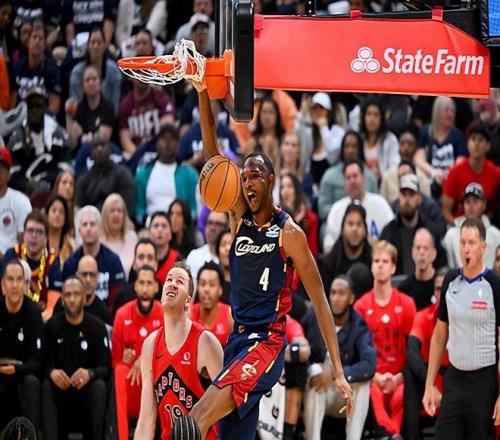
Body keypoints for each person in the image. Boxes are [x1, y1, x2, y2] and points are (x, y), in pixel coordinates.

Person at [168, 78, 353, 440]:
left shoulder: (289, 233)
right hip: (237, 341)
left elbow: (319, 299)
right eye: (244, 177)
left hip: (266, 344)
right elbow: (213, 158)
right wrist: (203, 90)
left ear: (270, 180)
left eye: (254, 176)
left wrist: (338, 370)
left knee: (195, 419)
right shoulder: (239, 216)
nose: (247, 183)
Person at [423, 218, 500, 439]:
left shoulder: (494, 284)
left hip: (484, 381)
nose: (466, 248)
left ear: (483, 247)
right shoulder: (450, 280)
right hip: (455, 378)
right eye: (462, 242)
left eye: (472, 243)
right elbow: (439, 335)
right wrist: (429, 386)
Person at [133, 263, 224, 439]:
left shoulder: (205, 342)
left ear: (188, 301)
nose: (172, 284)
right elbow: (146, 419)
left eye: (179, 281)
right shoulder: (150, 345)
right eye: (169, 280)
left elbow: (227, 409)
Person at [354, 241, 417, 438]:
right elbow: (356, 349)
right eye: (376, 261)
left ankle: (389, 434)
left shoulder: (407, 304)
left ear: (393, 267)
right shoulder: (361, 306)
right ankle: (392, 434)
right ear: (371, 266)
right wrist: (375, 376)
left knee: (401, 395)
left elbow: (413, 349)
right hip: (373, 376)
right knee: (373, 391)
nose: (380, 265)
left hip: (400, 377)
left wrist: (400, 376)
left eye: (385, 261)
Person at [302, 275, 377, 440]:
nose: (335, 298)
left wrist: (335, 375)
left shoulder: (358, 325)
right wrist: (313, 370)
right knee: (315, 374)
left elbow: (369, 365)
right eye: (333, 293)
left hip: (342, 396)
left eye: (341, 293)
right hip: (317, 392)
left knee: (363, 383)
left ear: (351, 299)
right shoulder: (313, 316)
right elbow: (299, 345)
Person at [42, 276, 111, 440]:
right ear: (62, 299)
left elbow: (106, 368)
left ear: (84, 297)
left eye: (76, 294)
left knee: (100, 386)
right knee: (46, 384)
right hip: (60, 397)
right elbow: (42, 363)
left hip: (86, 397)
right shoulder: (52, 327)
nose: (72, 299)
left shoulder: (97, 327)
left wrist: (90, 374)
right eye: (67, 294)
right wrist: (52, 372)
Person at [112, 265, 163, 440]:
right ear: (135, 286)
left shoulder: (164, 314)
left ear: (156, 287)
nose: (145, 289)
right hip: (132, 381)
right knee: (120, 372)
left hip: (155, 379)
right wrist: (123, 359)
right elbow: (115, 360)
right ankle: (122, 436)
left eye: (149, 283)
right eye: (141, 283)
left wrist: (145, 359)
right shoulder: (122, 314)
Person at [403, 267, 448, 440]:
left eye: (445, 288)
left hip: (454, 377)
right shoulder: (424, 316)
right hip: (429, 376)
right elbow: (412, 350)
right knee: (409, 368)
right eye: (438, 289)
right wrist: (431, 385)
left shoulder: (463, 319)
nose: (441, 293)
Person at [0, 259, 43, 431]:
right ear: (3, 285)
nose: (15, 285)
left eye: (19, 279)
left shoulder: (34, 313)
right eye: (10, 279)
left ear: (25, 285)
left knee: (32, 382)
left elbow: (38, 361)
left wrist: (17, 369)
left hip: (23, 375)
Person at [323, 159, 394, 253]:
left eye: (355, 176)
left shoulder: (380, 204)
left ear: (363, 179)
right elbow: (328, 247)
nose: (352, 181)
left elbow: (392, 237)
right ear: (344, 182)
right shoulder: (336, 209)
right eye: (348, 177)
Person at [380, 174, 445, 276]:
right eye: (403, 194)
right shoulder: (388, 232)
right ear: (399, 197)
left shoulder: (431, 231)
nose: (407, 199)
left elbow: (441, 266)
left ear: (419, 199)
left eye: (411, 194)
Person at [62, 205, 126, 307]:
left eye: (92, 224)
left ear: (100, 229)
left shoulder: (113, 261)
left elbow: (118, 300)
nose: (88, 228)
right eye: (85, 224)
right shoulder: (70, 263)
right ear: (79, 231)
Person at [134, 124, 198, 225]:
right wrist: (147, 223)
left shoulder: (190, 175)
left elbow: (193, 210)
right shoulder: (142, 173)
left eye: (172, 139)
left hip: (179, 228)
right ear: (156, 143)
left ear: (178, 144)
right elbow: (138, 210)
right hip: (149, 226)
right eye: (164, 139)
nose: (167, 143)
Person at [4, 210, 61, 317]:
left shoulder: (52, 263)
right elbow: (4, 291)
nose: (34, 236)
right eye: (30, 230)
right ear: (24, 234)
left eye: (39, 232)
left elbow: (53, 304)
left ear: (46, 238)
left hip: (42, 318)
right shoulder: (12, 255)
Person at [442, 123, 500, 224]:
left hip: (484, 225)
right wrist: (460, 227)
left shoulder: (496, 174)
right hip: (458, 224)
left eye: (480, 140)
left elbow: (492, 209)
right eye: (473, 139)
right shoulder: (455, 172)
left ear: (488, 145)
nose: (476, 144)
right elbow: (446, 211)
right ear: (467, 143)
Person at [443, 183, 500, 269]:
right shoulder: (451, 235)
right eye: (467, 202)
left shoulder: (496, 235)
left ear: (484, 205)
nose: (471, 206)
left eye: (475, 201)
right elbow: (449, 267)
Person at [75, 135, 136, 215]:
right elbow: (79, 211)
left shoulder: (123, 175)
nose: (99, 149)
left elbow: (128, 208)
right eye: (95, 146)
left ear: (110, 149)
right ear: (90, 152)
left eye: (103, 145)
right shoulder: (83, 180)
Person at [320, 202, 372, 293]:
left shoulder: (374, 263)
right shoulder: (328, 264)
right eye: (350, 224)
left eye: (359, 224)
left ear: (365, 231)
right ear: (342, 229)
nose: (354, 229)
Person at [53, 255, 113, 326]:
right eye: (84, 274)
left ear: (98, 277)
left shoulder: (104, 313)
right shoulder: (63, 304)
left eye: (92, 275)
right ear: (77, 275)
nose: (88, 280)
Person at [112, 238, 159, 318]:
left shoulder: (164, 294)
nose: (145, 262)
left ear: (156, 264)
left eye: (150, 258)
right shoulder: (122, 296)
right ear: (134, 264)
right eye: (141, 257)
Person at [190, 262, 233, 347]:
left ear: (220, 289)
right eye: (202, 284)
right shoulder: (189, 314)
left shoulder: (230, 315)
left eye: (212, 284)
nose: (206, 289)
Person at [0, 147, 31, 258]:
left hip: (13, 262)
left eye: (1, 168)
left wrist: (6, 259)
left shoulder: (21, 201)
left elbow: (26, 241)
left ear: (9, 174)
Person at [397, 228, 439, 311]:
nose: (421, 252)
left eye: (426, 248)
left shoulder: (441, 286)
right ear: (412, 252)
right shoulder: (403, 290)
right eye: (418, 248)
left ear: (433, 254)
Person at [100, 193, 138, 279]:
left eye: (119, 211)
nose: (116, 215)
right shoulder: (98, 240)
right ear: (105, 215)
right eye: (112, 211)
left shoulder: (132, 237)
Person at [186, 210, 228, 281]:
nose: (212, 228)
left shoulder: (231, 258)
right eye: (210, 223)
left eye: (218, 224)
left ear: (227, 227)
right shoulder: (194, 256)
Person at [148, 211, 180, 284]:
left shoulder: (177, 260)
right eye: (156, 225)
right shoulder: (142, 258)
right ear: (149, 232)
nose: (160, 230)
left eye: (164, 226)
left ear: (171, 233)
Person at [45, 195, 76, 267]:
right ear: (47, 214)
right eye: (54, 210)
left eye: (61, 212)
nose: (57, 214)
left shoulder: (71, 245)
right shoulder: (40, 240)